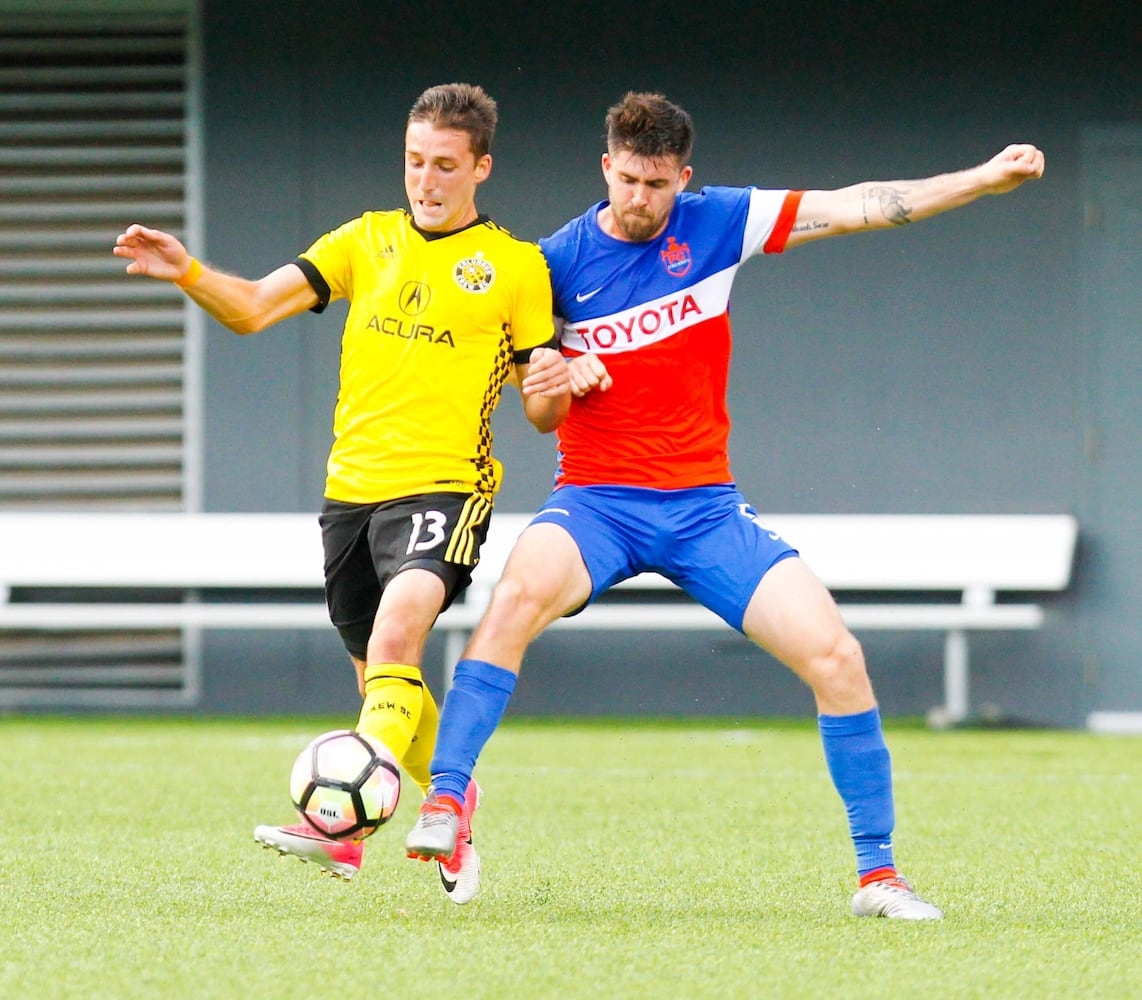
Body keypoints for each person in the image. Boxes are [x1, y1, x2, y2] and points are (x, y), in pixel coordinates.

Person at [403, 91, 1046, 919]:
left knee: (838, 657)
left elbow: (857, 208)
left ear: (684, 179)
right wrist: (559, 373)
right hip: (597, 503)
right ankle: (447, 804)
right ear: (606, 167)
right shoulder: (548, 264)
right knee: (513, 601)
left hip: (704, 509)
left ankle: (878, 877)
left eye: (659, 184)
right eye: (630, 179)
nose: (642, 199)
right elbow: (535, 403)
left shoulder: (718, 224)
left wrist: (984, 180)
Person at [114, 83, 571, 904]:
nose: (424, 181)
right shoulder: (364, 242)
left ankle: (338, 829)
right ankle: (450, 812)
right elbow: (253, 309)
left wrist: (554, 381)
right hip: (350, 497)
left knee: (400, 634)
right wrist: (184, 269)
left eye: (443, 166)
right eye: (413, 161)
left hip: (446, 486)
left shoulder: (515, 266)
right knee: (382, 683)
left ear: (481, 168)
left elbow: (542, 410)